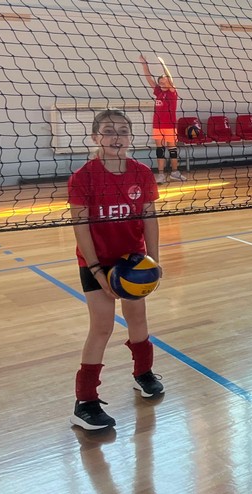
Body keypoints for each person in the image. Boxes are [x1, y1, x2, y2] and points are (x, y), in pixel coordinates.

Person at [68, 109, 164, 431]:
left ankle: (143, 374)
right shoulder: (83, 177)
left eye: (123, 131)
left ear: (131, 137)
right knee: (102, 327)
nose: (117, 137)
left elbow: (149, 217)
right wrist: (97, 270)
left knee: (138, 318)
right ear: (95, 137)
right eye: (109, 131)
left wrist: (153, 260)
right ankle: (85, 403)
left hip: (132, 261)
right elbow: (81, 227)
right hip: (95, 260)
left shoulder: (142, 173)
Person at [138, 56, 185, 184]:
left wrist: (163, 64)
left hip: (170, 126)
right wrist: (144, 64)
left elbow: (170, 78)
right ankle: (161, 175)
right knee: (160, 149)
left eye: (165, 81)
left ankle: (175, 172)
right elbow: (149, 78)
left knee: (172, 149)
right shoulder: (158, 92)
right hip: (157, 125)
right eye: (161, 82)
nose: (164, 83)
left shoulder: (172, 92)